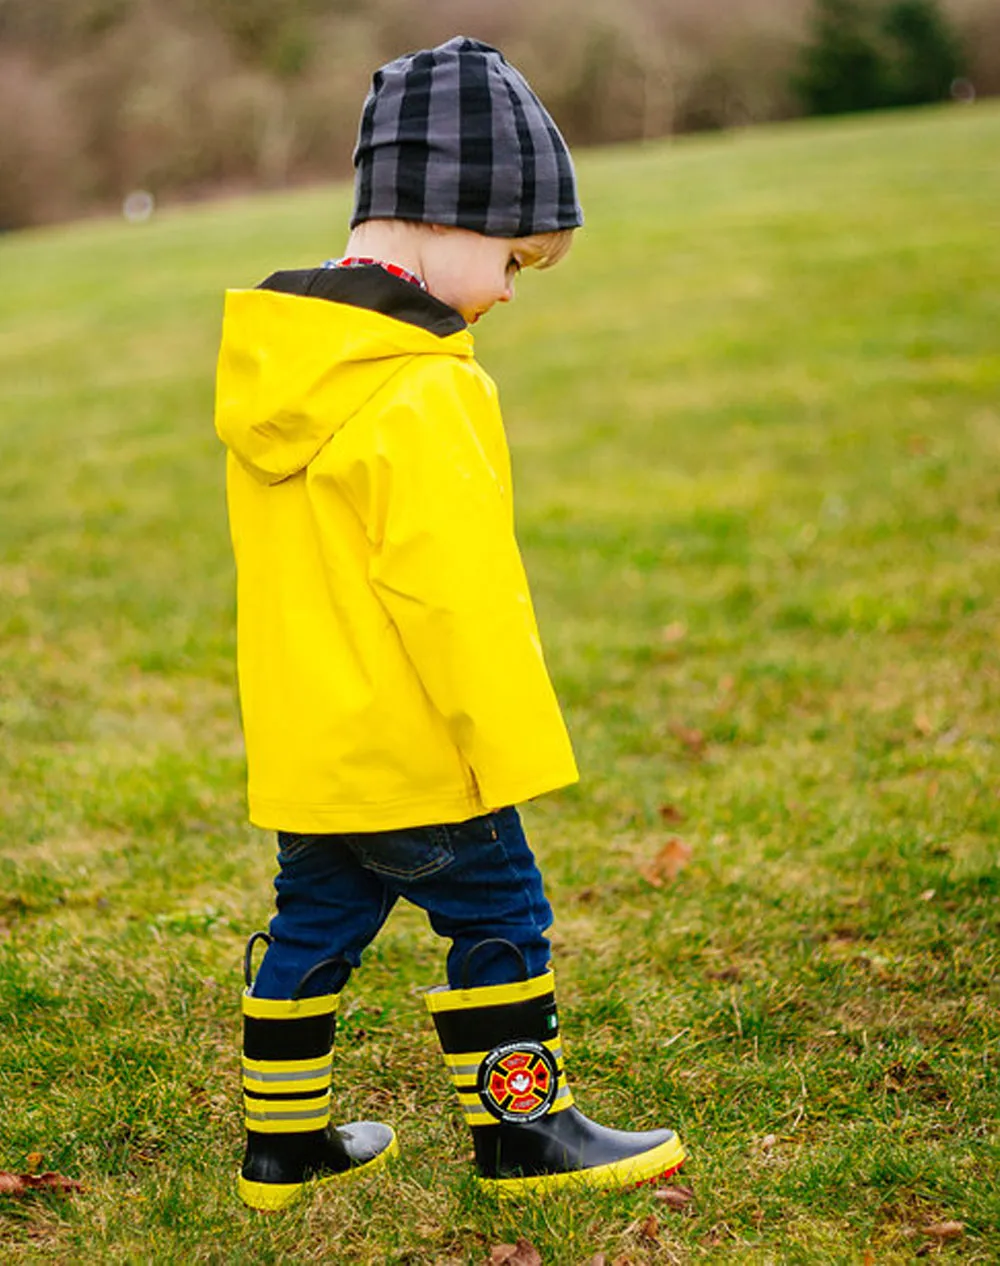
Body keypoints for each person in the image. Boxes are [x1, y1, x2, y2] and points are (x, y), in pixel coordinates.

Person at [214, 35, 685, 1211]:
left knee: (313, 922)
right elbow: (457, 598)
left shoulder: (283, 370)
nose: (511, 291)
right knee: (503, 917)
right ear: (447, 214)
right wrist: (505, 750)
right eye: (516, 258)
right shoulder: (426, 387)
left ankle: (282, 1149)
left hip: (313, 748)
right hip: (425, 753)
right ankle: (524, 1131)